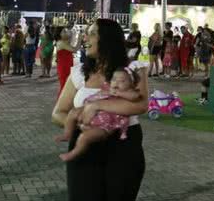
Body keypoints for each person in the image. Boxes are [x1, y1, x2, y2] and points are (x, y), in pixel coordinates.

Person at [51, 19, 148, 200]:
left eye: (92, 33)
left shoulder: (133, 68)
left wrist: (96, 105)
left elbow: (141, 105)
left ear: (108, 39)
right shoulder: (79, 72)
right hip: (85, 146)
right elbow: (58, 112)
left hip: (123, 147)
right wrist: (80, 123)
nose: (85, 38)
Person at [55, 67, 142, 162]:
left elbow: (135, 96)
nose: (116, 82)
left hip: (105, 125)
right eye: (114, 79)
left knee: (84, 137)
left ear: (131, 84)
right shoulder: (108, 88)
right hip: (91, 114)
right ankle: (67, 134)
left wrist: (119, 93)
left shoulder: (129, 92)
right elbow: (101, 92)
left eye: (122, 81)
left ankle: (73, 153)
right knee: (72, 113)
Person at [56, 30, 75, 95]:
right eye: (64, 32)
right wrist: (80, 39)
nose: (67, 32)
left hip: (67, 65)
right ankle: (61, 102)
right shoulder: (61, 43)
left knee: (66, 84)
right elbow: (74, 49)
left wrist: (72, 36)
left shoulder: (65, 43)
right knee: (64, 85)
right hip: (63, 67)